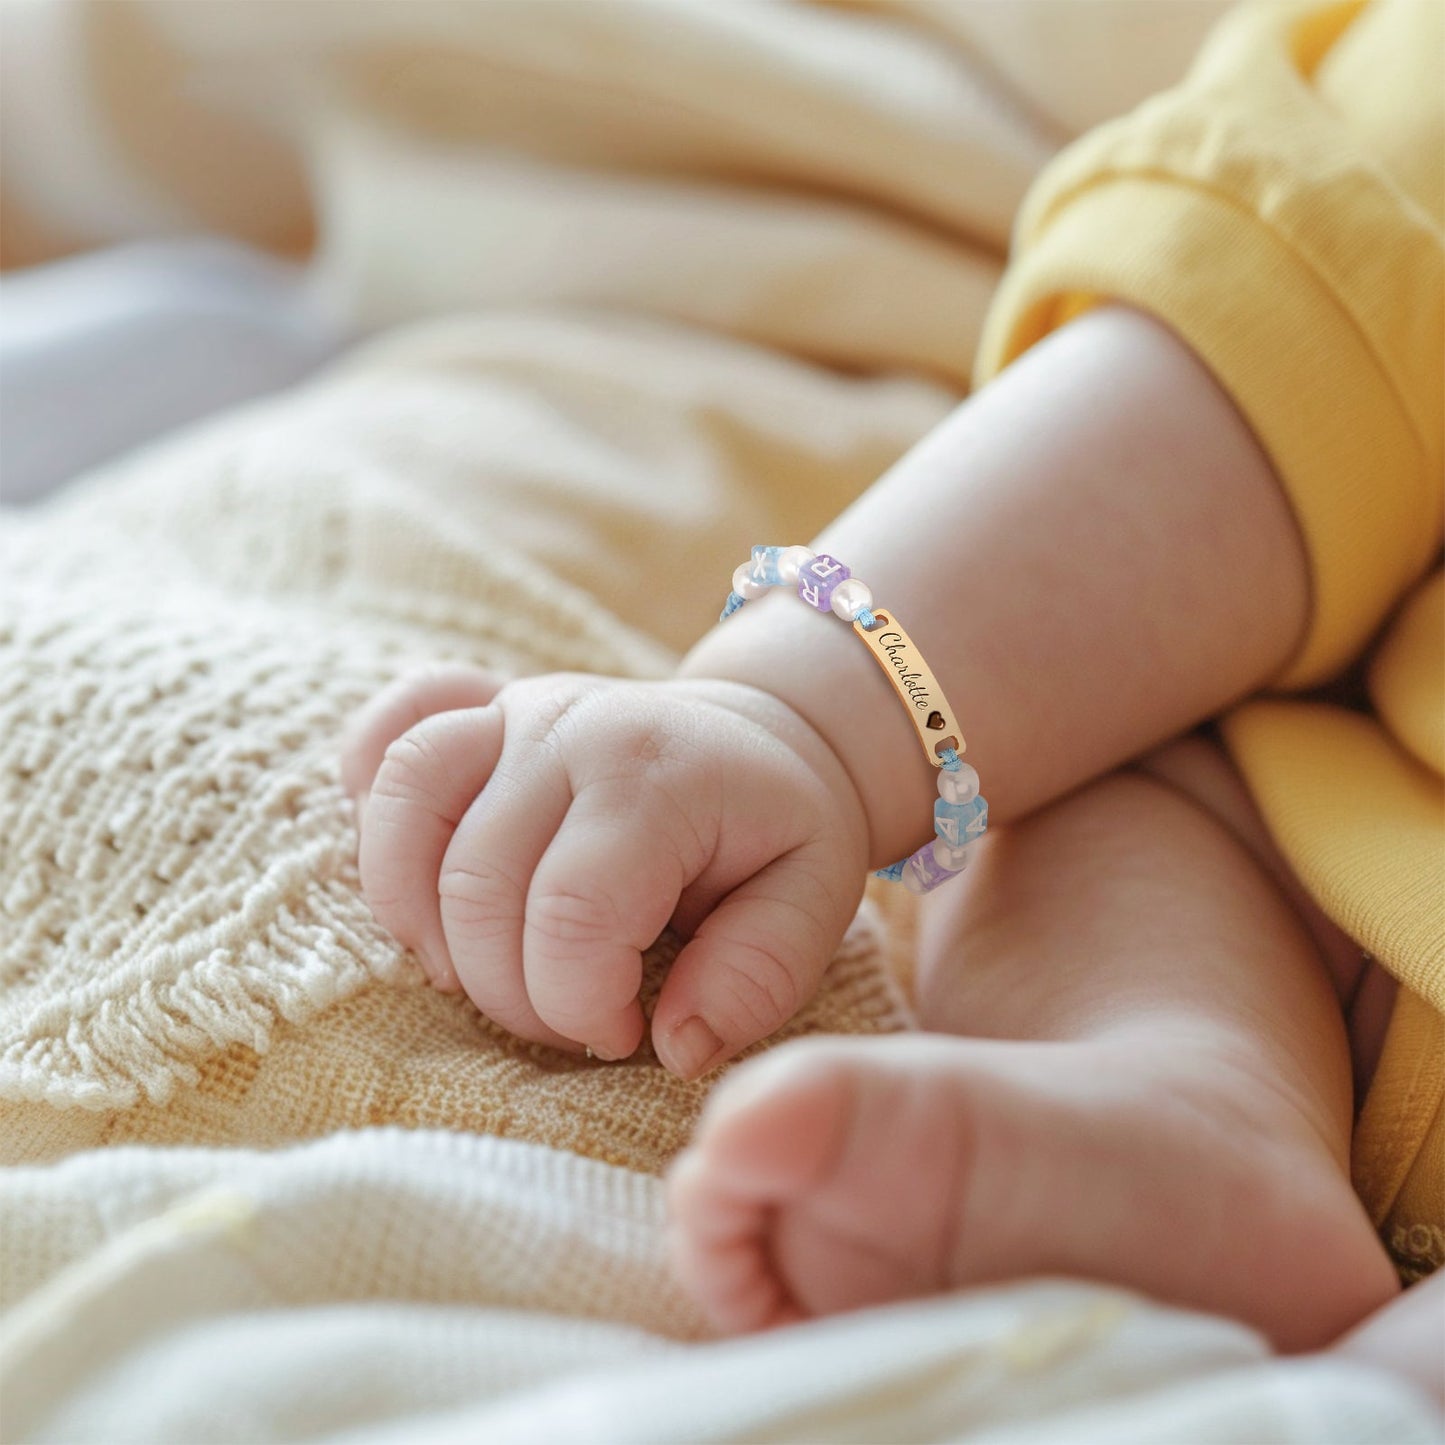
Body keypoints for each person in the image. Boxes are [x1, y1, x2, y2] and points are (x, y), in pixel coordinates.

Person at [339, 0, 1442, 1397]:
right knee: (1099, 742)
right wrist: (797, 716)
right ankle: (1190, 1094)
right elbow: (1268, 356)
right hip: (1331, 891)